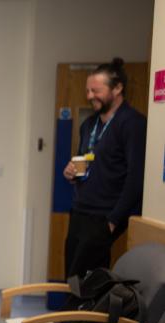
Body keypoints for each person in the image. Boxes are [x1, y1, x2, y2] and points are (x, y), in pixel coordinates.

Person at [62, 58, 147, 279]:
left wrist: (113, 221)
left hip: (104, 216)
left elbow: (136, 179)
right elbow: (90, 164)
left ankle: (80, 316)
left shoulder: (133, 124)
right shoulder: (88, 125)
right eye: (87, 91)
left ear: (117, 88)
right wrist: (72, 173)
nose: (90, 96)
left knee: (88, 285)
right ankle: (70, 315)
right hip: (80, 211)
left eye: (96, 90)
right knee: (71, 279)